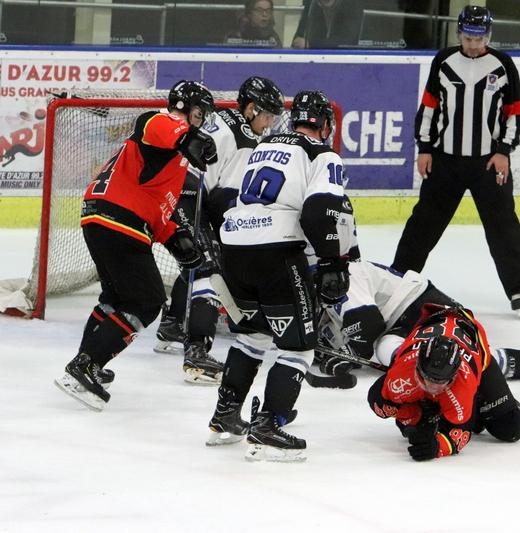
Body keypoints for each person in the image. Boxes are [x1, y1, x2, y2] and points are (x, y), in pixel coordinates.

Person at [54, 80, 218, 411]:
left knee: (114, 299)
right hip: (121, 220)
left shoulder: (173, 157)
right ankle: (85, 366)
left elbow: (157, 205)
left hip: (101, 217)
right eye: (199, 114)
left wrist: (177, 240)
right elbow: (153, 124)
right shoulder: (164, 123)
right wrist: (188, 136)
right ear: (185, 109)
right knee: (148, 301)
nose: (201, 121)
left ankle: (88, 360)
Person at [206, 90, 351, 462]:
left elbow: (224, 196)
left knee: (252, 336)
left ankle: (225, 417)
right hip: (276, 253)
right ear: (325, 123)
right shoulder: (322, 154)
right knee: (298, 348)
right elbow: (320, 210)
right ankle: (268, 426)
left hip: (235, 248)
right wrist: (333, 263)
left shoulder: (264, 146)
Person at [391, 5, 520, 320]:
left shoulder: (503, 64)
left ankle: (519, 289)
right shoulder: (443, 61)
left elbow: (514, 112)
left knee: (503, 225)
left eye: (479, 39)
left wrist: (504, 151)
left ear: (488, 36)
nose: (473, 44)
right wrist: (424, 148)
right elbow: (429, 107)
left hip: (488, 163)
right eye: (468, 38)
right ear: (459, 34)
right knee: (424, 222)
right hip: (445, 161)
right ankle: (399, 277)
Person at [153, 77, 286, 385]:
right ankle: (197, 351)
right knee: (210, 269)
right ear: (251, 109)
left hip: (172, 191)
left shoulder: (225, 120)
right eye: (267, 114)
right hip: (186, 194)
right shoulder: (245, 140)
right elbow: (223, 198)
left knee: (198, 259)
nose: (269, 123)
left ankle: (173, 324)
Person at [316, 260, 520, 383]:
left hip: (423, 304)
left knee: (468, 359)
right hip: (397, 329)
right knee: (392, 353)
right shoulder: (317, 308)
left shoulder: (344, 275)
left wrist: (350, 355)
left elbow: (367, 324)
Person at [367, 304, 520, 461]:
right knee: (413, 424)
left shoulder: (463, 382)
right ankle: (438, 408)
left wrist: (436, 447)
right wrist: (414, 416)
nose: (433, 388)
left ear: (454, 375)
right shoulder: (402, 371)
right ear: (417, 367)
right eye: (427, 379)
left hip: (476, 357)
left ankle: (479, 402)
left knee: (510, 428)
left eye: (440, 383)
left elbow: (460, 433)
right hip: (435, 335)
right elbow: (378, 400)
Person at [291, 0, 364, 49]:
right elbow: (298, 38)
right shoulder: (311, 4)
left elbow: (348, 41)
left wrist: (310, 44)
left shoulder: (352, 4)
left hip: (344, 60)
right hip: (315, 60)